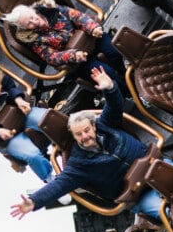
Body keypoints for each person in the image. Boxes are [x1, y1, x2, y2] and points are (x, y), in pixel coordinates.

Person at [9, 67, 161, 219]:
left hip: (155, 166)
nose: (85, 136)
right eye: (79, 134)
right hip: (138, 192)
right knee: (165, 212)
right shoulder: (77, 164)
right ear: (74, 136)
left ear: (93, 126)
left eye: (86, 130)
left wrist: (109, 88)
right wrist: (34, 201)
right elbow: (58, 186)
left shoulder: (106, 124)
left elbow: (114, 105)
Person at [2, 0, 128, 93]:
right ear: (24, 28)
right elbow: (52, 57)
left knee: (115, 51)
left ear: (33, 11)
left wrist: (93, 28)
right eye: (29, 24)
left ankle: (127, 74)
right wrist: (74, 55)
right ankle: (129, 92)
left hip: (89, 38)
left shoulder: (51, 9)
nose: (34, 22)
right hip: (77, 61)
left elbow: (77, 16)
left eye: (32, 17)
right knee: (106, 73)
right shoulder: (33, 39)